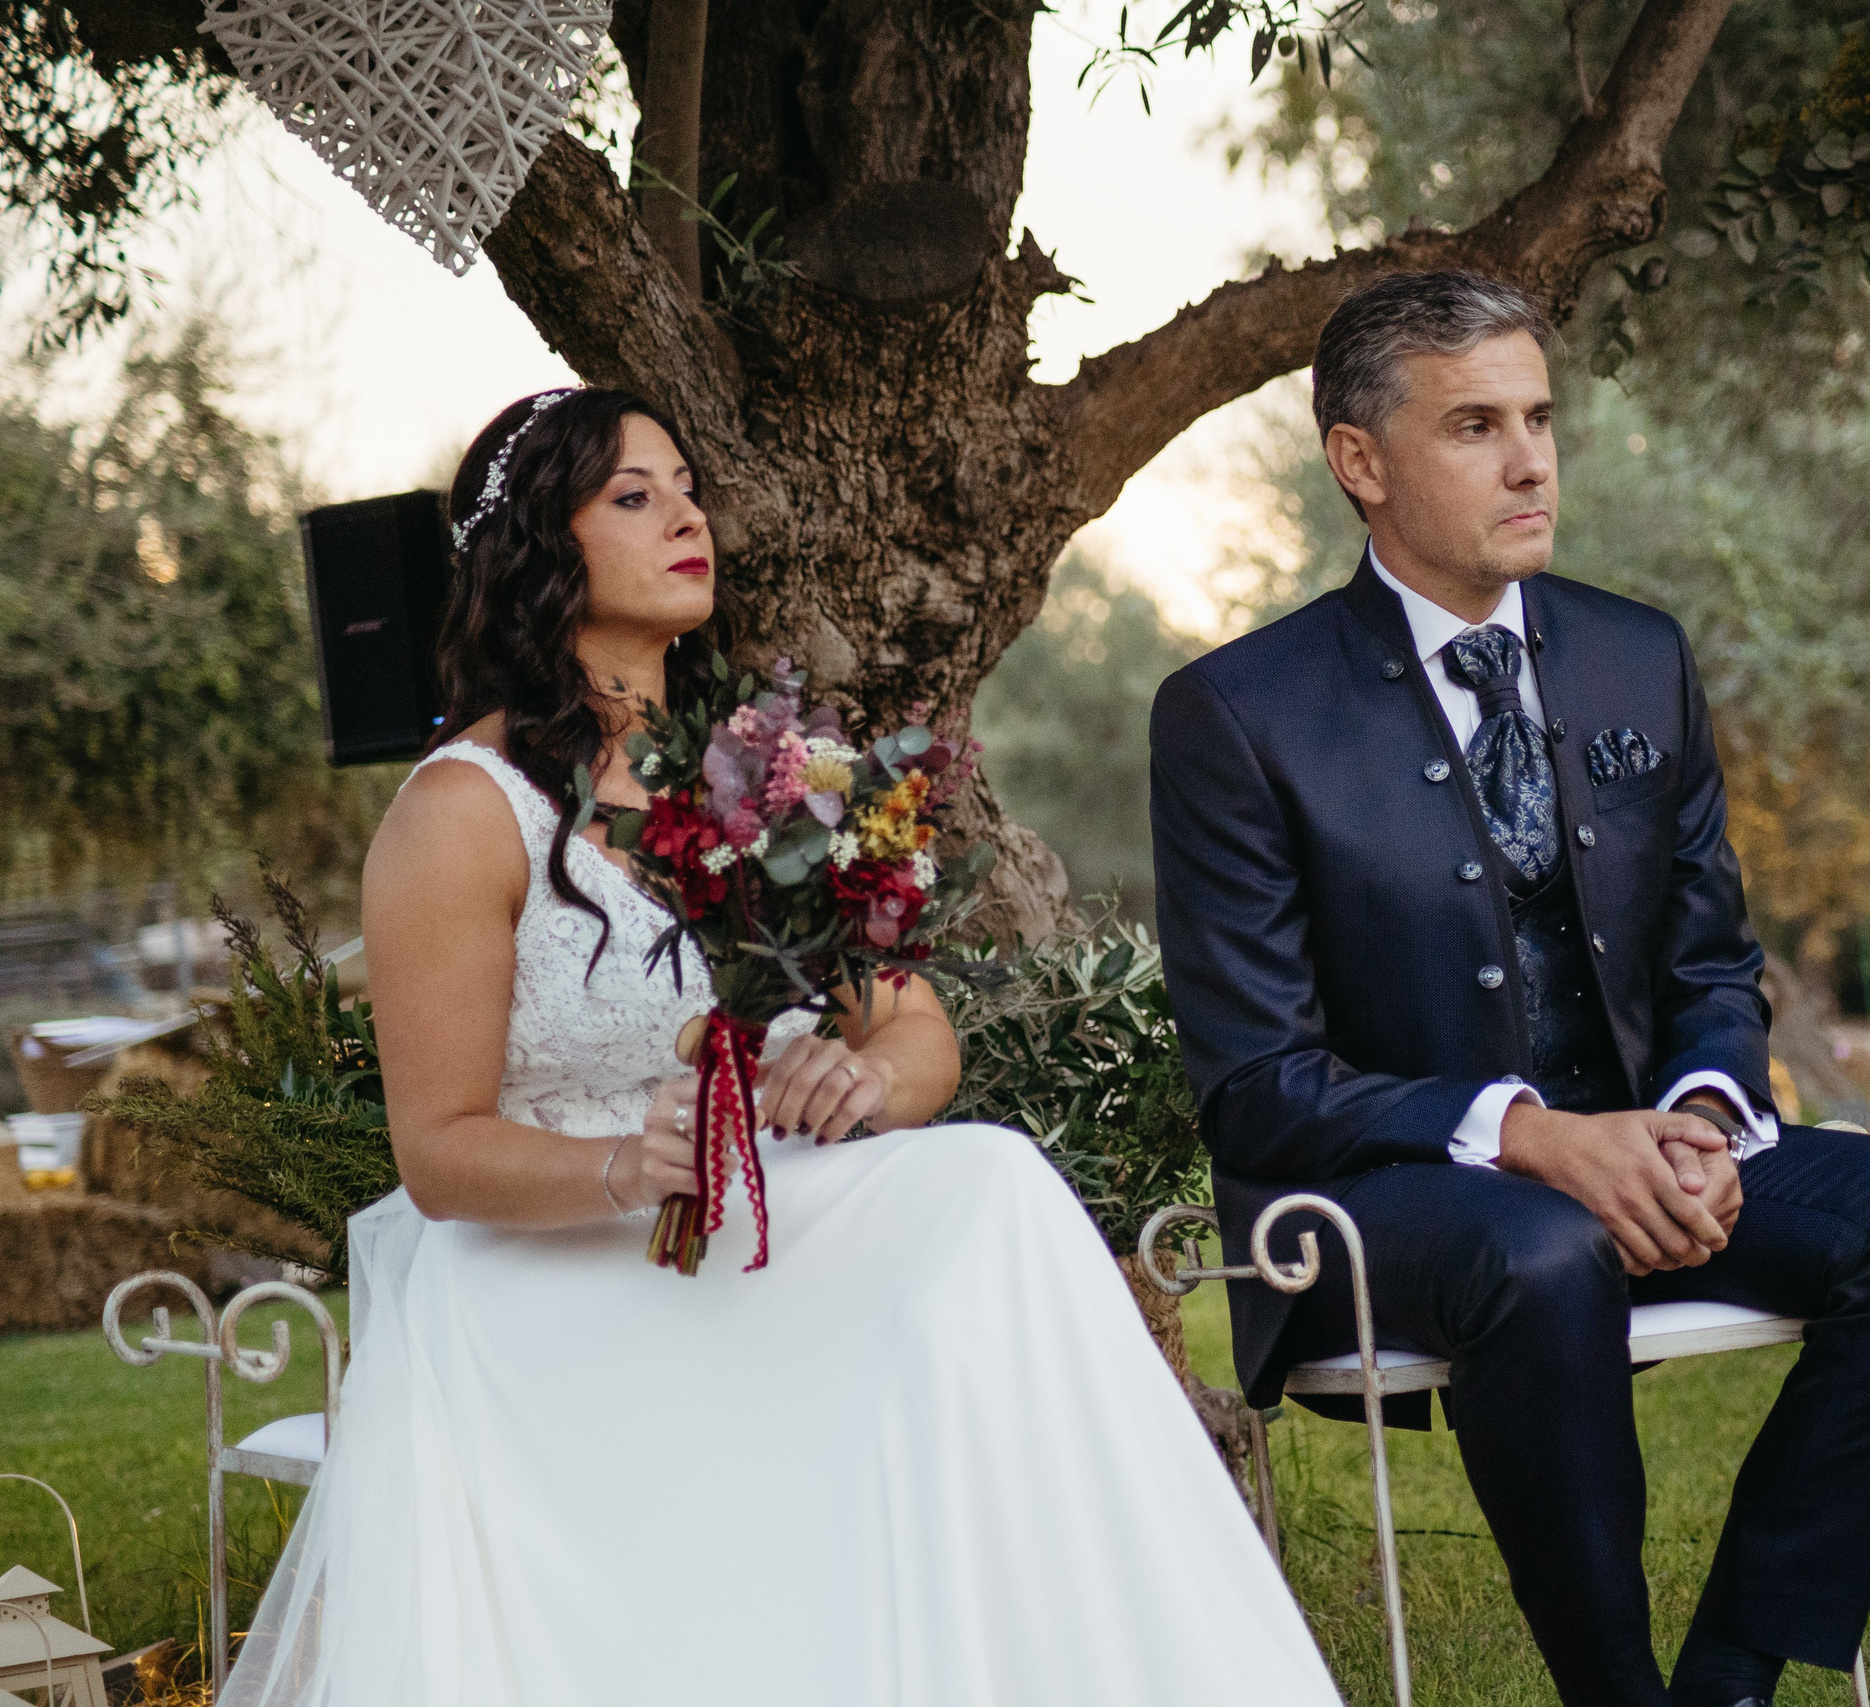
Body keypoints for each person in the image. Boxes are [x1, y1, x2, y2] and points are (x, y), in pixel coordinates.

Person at [221, 387, 1340, 1707]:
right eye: (634, 495)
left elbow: (917, 1035)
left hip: (766, 1214)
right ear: (540, 548)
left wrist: (866, 1080)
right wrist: (628, 1173)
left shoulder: (778, 768)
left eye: (687, 484)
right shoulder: (465, 814)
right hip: (560, 1265)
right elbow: (439, 1152)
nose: (686, 513)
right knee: (977, 1209)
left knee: (988, 1188)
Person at [1148, 271, 1870, 1707]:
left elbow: (1707, 962)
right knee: (1544, 1254)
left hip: (1639, 1162)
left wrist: (1699, 1108)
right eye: (1475, 425)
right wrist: (1537, 1139)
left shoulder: (1636, 655)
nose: (1531, 458)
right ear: (1359, 462)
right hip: (1379, 1203)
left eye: (1541, 417)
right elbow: (1258, 1091)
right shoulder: (1239, 716)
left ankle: (1731, 1677)